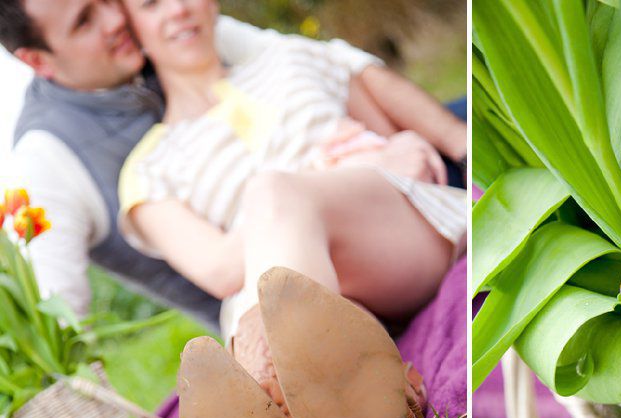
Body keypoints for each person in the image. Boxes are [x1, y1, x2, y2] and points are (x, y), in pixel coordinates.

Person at [0, 0, 467, 330]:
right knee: (260, 299)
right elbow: (55, 314)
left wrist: (434, 139)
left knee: (271, 201)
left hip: (387, 231)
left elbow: (358, 87)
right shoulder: (54, 167)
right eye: (84, 20)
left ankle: (267, 379)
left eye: (108, 1)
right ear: (39, 61)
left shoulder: (268, 54)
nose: (113, 20)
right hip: (281, 290)